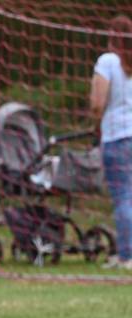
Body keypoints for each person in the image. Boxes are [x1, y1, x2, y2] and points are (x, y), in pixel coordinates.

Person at [90, 15, 132, 269]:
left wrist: (96, 123)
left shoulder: (108, 61)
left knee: (123, 196)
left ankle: (127, 255)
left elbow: (97, 103)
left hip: (117, 137)